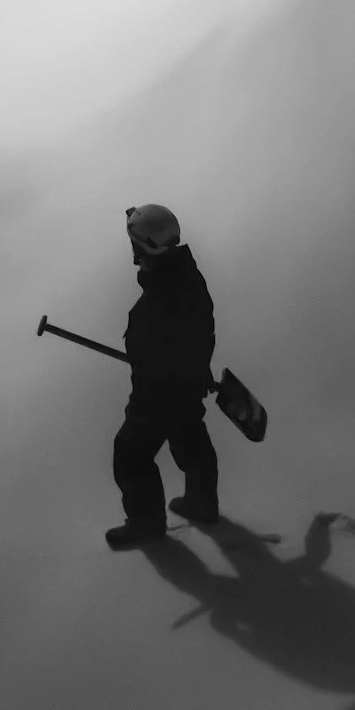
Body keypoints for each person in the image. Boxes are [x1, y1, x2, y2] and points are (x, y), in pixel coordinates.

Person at [106, 202, 223, 551]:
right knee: (190, 436)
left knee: (131, 455)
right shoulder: (187, 274)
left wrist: (147, 390)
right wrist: (198, 369)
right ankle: (202, 503)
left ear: (142, 247)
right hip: (189, 382)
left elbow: (153, 353)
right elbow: (201, 329)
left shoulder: (158, 299)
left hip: (157, 394)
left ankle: (146, 524)